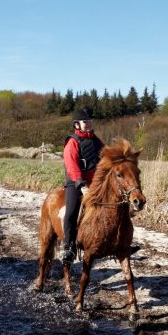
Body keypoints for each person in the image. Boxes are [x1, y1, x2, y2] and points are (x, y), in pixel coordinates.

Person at [60, 107, 104, 264]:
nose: (89, 123)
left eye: (90, 121)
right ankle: (68, 246)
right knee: (71, 213)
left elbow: (106, 159)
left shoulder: (97, 141)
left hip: (95, 184)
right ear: (77, 124)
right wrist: (80, 183)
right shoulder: (72, 142)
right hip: (76, 183)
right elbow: (71, 165)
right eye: (85, 121)